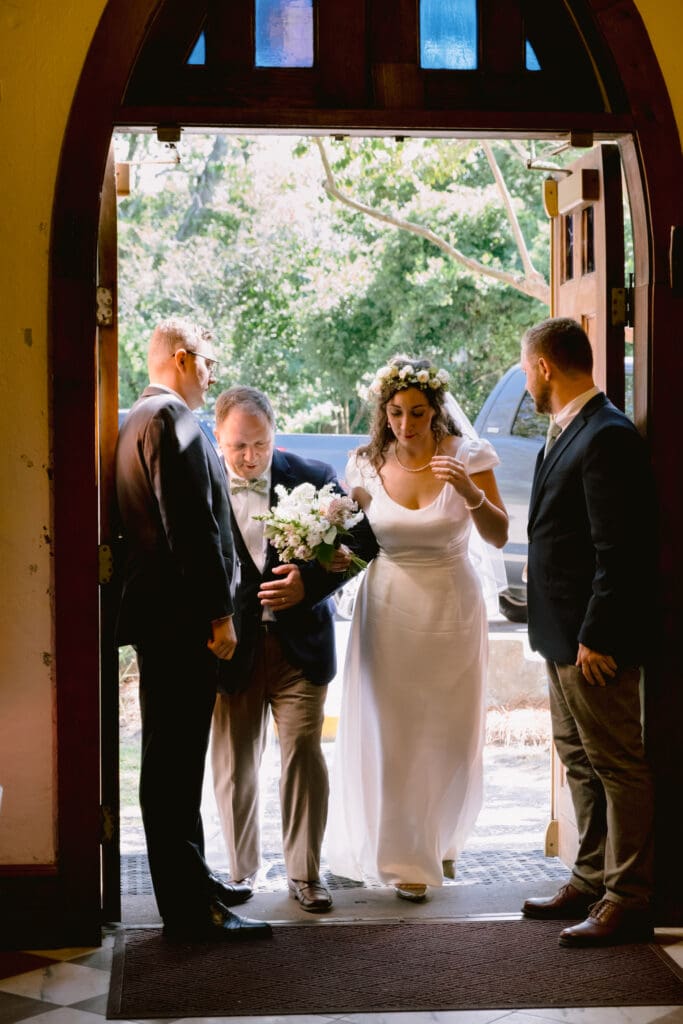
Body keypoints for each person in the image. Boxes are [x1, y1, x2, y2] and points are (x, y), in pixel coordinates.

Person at [327, 355, 508, 901]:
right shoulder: (363, 465)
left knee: (447, 737)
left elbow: (498, 536)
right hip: (387, 609)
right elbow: (359, 546)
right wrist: (337, 558)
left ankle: (439, 840)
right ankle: (404, 855)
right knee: (395, 735)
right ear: (385, 412)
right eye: (398, 413)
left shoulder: (468, 456)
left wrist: (471, 493)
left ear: (437, 412)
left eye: (419, 413)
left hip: (452, 608)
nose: (408, 425)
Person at [115, 318, 271, 942]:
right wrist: (220, 614)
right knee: (175, 768)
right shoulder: (172, 420)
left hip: (163, 622)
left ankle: (195, 883)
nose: (213, 372)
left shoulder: (136, 418)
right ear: (181, 358)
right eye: (207, 360)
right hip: (184, 624)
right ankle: (189, 913)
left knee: (172, 763)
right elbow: (192, 528)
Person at [519, 317, 656, 947]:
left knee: (616, 764)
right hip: (558, 634)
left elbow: (620, 548)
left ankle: (627, 897)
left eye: (526, 369)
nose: (527, 381)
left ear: (544, 366)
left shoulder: (606, 434)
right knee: (578, 761)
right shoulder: (566, 431)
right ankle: (590, 874)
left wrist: (598, 634)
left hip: (592, 641)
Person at [210, 385, 370, 913]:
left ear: (274, 434)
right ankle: (240, 873)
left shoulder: (315, 477)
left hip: (301, 645)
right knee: (236, 764)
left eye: (259, 444)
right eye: (238, 447)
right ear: (219, 438)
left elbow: (363, 545)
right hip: (232, 650)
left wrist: (309, 584)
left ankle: (305, 874)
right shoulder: (203, 484)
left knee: (302, 754)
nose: (250, 457)